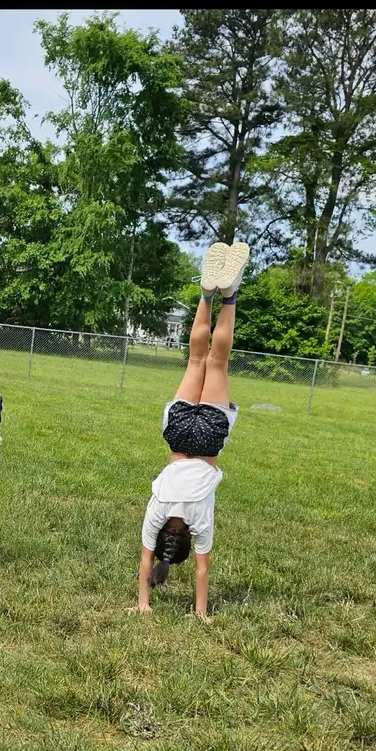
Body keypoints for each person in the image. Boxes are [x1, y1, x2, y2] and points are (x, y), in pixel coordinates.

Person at [131, 241, 250, 618]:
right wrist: (142, 604)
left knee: (217, 362)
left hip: (210, 439)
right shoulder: (157, 515)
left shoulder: (200, 523)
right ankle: (206, 292)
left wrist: (201, 613)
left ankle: (228, 295)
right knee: (197, 357)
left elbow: (202, 569)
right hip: (179, 437)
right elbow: (145, 563)